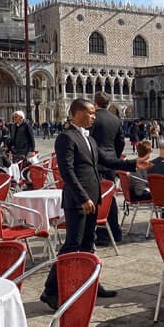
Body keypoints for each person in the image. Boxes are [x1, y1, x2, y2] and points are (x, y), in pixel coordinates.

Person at [44, 96, 133, 306]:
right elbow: (67, 172)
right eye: (90, 113)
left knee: (87, 245)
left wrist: (134, 164)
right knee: (72, 245)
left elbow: (107, 161)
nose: (94, 116)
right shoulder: (66, 138)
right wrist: (82, 197)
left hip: (93, 198)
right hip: (78, 200)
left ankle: (90, 283)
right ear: (77, 113)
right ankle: (51, 290)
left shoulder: (90, 139)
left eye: (94, 112)